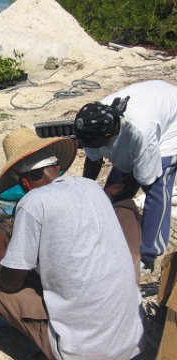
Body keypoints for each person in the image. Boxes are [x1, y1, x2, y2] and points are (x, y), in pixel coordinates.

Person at [0, 128, 145, 360]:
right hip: (134, 341)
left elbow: (8, 284)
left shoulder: (33, 202)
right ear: (57, 167)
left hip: (83, 352)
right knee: (125, 209)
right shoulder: (91, 187)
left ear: (25, 182)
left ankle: (49, 340)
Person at [74, 80, 177, 273]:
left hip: (172, 124)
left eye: (94, 143)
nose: (89, 145)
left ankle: (148, 255)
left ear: (107, 136)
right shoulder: (92, 123)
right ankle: (112, 232)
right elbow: (93, 161)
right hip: (151, 98)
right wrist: (86, 192)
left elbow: (144, 177)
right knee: (115, 184)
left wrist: (112, 192)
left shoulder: (140, 131)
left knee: (156, 185)